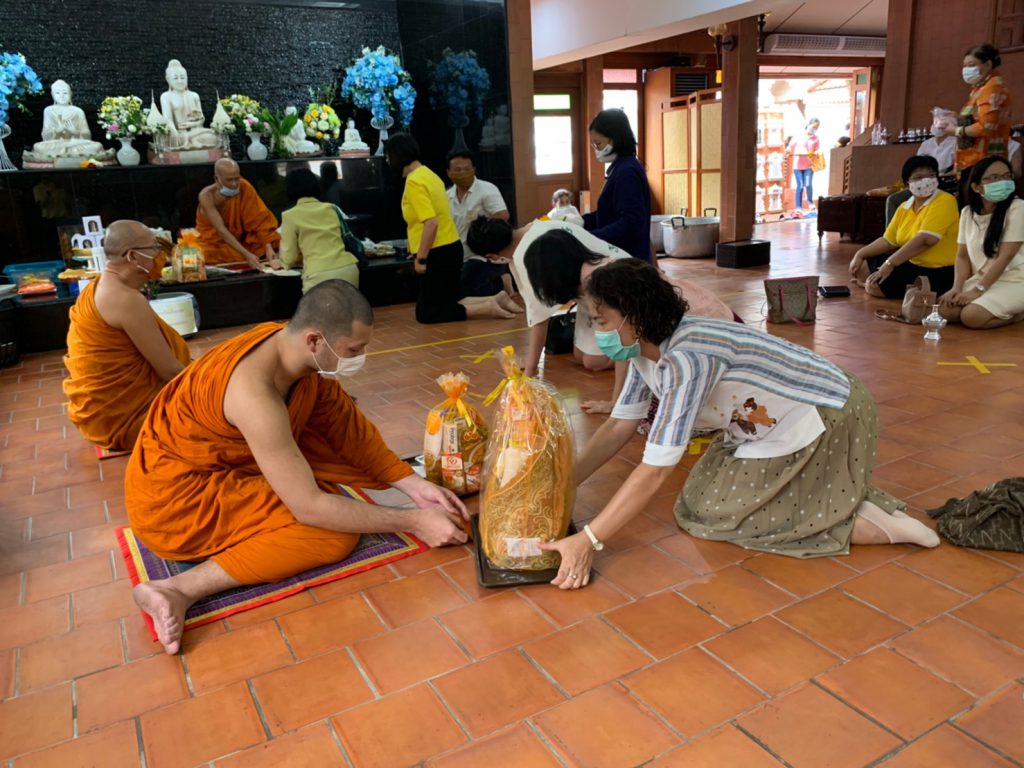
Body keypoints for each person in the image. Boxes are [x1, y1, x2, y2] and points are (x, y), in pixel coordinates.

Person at [538, 260, 939, 590]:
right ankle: (834, 501)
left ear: (635, 318)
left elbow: (657, 467)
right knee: (697, 500)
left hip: (829, 411)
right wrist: (563, 486)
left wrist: (589, 540)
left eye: (601, 321)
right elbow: (617, 428)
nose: (597, 333)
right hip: (769, 419)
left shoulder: (686, 358)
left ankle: (870, 525)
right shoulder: (645, 349)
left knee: (717, 515)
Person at [126, 280, 470, 654]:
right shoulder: (253, 394)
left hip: (228, 472)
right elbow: (308, 507)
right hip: (178, 500)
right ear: (314, 341)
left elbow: (347, 430)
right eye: (354, 349)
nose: (360, 358)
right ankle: (177, 588)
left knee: (336, 504)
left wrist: (413, 485)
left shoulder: (292, 352)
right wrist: (414, 522)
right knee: (329, 533)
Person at [466, 218, 733, 414]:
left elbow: (624, 349)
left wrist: (616, 403)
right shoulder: (578, 266)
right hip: (683, 315)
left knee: (623, 362)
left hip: (701, 321)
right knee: (594, 357)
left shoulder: (604, 288)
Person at [63, 220, 191, 451]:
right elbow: (169, 371)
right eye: (153, 248)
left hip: (99, 415)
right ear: (132, 257)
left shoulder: (100, 284)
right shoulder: (125, 299)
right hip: (126, 420)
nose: (159, 255)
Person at [384, 133, 518, 323]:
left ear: (397, 155)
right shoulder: (429, 175)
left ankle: (488, 308)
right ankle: (495, 299)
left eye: (388, 156)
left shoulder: (414, 181)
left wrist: (421, 258)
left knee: (428, 314)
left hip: (438, 251)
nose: (388, 161)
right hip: (450, 247)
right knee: (437, 304)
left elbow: (431, 223)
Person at [849, 155, 958, 298]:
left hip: (939, 269)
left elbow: (925, 240)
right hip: (912, 263)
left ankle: (885, 289)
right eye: (918, 177)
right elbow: (888, 241)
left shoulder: (945, 200)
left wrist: (889, 264)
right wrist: (859, 254)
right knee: (863, 266)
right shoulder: (904, 207)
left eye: (931, 176)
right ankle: (876, 286)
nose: (925, 181)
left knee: (879, 285)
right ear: (907, 183)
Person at [939, 156, 1024, 329]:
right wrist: (957, 287)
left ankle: (1019, 314)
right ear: (976, 187)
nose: (1002, 181)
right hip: (983, 278)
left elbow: (1005, 257)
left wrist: (978, 291)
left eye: (1007, 176)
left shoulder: (1018, 207)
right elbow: (962, 257)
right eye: (993, 178)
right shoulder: (967, 213)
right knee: (946, 311)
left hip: (1016, 280)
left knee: (972, 316)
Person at [584, 109, 653, 263]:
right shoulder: (620, 168)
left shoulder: (627, 172)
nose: (596, 150)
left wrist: (590, 238)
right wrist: (581, 222)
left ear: (614, 139)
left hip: (627, 260)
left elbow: (630, 223)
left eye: (598, 144)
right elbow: (608, 213)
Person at [443, 149, 512, 298]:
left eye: (467, 169)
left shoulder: (487, 190)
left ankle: (501, 281)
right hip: (457, 256)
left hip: (482, 256)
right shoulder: (446, 196)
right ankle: (501, 283)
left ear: (474, 170)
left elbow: (502, 217)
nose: (463, 173)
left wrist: (492, 248)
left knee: (467, 292)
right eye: (457, 170)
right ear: (449, 172)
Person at [279, 169, 360, 293]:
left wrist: (279, 262)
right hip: (348, 269)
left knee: (317, 312)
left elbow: (289, 258)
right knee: (348, 310)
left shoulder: (289, 216)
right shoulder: (332, 208)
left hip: (318, 274)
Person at [196, 158, 283, 269]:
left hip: (242, 240)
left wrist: (268, 246)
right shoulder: (206, 196)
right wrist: (247, 255)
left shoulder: (244, 186)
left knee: (276, 241)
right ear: (217, 179)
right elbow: (221, 231)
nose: (234, 184)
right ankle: (246, 256)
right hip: (218, 243)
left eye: (236, 178)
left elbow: (259, 220)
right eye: (229, 180)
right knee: (200, 253)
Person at [939, 43, 1012, 172]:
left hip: (984, 162)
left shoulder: (992, 88)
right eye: (965, 66)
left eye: (971, 65)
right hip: (972, 160)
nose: (966, 70)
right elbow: (977, 117)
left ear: (988, 65)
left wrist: (956, 130)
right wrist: (957, 117)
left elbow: (985, 126)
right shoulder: (979, 89)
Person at [788, 118, 821, 211]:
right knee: (800, 185)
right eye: (814, 127)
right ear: (809, 124)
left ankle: (810, 202)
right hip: (797, 166)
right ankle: (798, 206)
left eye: (817, 128)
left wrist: (817, 152)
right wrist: (787, 151)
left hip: (809, 166)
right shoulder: (799, 135)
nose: (815, 129)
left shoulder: (816, 138)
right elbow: (790, 147)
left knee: (808, 184)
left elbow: (817, 149)